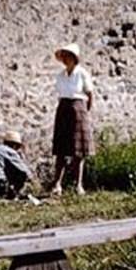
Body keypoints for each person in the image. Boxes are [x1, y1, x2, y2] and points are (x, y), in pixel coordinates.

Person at [51, 42, 94, 196]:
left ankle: (78, 185)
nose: (65, 59)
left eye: (68, 56)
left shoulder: (82, 73)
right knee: (61, 149)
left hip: (78, 108)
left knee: (78, 152)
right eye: (63, 56)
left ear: (74, 58)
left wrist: (84, 112)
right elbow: (61, 94)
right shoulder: (60, 75)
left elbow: (89, 94)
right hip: (63, 108)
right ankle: (57, 184)